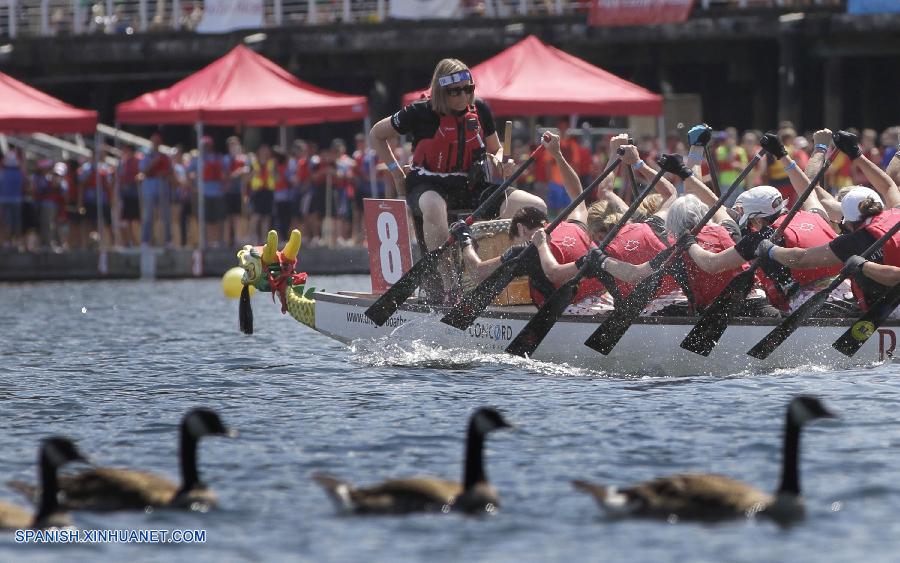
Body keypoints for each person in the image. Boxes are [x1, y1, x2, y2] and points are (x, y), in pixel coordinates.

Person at [369, 58, 545, 300]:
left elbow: (496, 149)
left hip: (469, 185)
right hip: (428, 183)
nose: (463, 96)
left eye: (468, 89)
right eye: (455, 91)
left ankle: (514, 276)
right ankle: (451, 285)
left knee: (534, 206)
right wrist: (396, 172)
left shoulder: (480, 109)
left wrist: (502, 160)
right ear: (442, 91)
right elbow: (376, 135)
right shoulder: (420, 112)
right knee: (434, 206)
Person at [763, 131, 900, 315]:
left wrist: (768, 249)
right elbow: (888, 185)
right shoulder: (895, 212)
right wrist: (855, 153)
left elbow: (802, 259)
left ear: (847, 220)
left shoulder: (851, 240)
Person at [458, 132, 600, 308]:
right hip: (601, 298)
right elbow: (577, 194)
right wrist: (557, 154)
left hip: (568, 309)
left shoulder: (525, 251)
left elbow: (478, 272)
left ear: (521, 229)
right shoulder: (576, 227)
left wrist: (464, 239)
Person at [139, 131, 173, 247]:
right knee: (148, 216)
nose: (156, 144)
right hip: (149, 189)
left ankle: (167, 240)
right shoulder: (146, 156)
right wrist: (154, 162)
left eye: (158, 142)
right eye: (154, 141)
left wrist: (165, 173)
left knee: (165, 216)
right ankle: (145, 240)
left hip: (163, 188)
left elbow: (170, 173)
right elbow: (143, 171)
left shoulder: (165, 157)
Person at [222, 136, 248, 247]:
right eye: (232, 145)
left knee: (237, 216)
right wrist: (237, 173)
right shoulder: (226, 159)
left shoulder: (243, 159)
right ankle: (227, 240)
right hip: (228, 192)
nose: (234, 147)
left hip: (239, 192)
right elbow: (225, 175)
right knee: (228, 218)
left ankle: (237, 239)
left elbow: (247, 173)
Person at [248, 143, 276, 243]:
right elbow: (248, 178)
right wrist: (253, 174)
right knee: (256, 216)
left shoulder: (272, 163)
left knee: (266, 217)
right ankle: (253, 237)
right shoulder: (253, 163)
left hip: (268, 191)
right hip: (257, 192)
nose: (264, 152)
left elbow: (277, 178)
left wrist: (273, 174)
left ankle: (265, 239)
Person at [118, 144, 142, 247]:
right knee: (125, 219)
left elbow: (138, 176)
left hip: (134, 195)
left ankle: (136, 241)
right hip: (126, 195)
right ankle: (128, 241)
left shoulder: (137, 162)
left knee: (135, 220)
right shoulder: (123, 163)